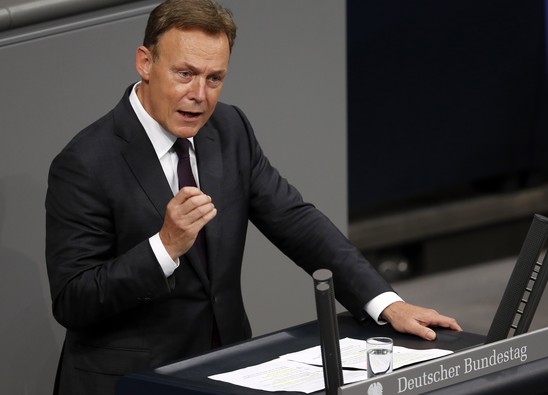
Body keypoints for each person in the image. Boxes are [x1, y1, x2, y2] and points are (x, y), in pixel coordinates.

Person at [45, 0, 461, 394]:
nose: (200, 95)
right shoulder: (86, 162)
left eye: (214, 78)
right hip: (129, 383)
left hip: (221, 369)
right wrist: (164, 248)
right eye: (185, 74)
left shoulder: (229, 130)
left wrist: (385, 303)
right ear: (145, 63)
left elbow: (297, 223)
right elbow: (73, 300)